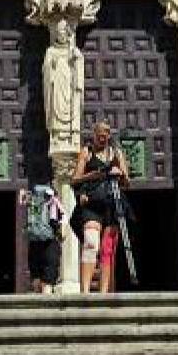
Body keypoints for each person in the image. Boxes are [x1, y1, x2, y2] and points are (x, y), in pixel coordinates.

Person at [71, 121, 130, 293]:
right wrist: (92, 175)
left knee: (107, 249)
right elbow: (74, 179)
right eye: (99, 137)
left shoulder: (116, 153)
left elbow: (127, 182)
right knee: (91, 243)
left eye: (105, 137)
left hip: (112, 204)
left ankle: (104, 293)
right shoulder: (86, 152)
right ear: (94, 135)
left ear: (109, 136)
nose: (102, 140)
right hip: (91, 204)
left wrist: (120, 174)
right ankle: (85, 292)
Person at [20, 183, 64, 294]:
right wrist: (61, 233)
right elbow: (59, 220)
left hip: (34, 241)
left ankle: (36, 295)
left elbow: (22, 201)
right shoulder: (53, 202)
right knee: (48, 277)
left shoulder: (32, 201)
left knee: (36, 274)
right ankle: (46, 301)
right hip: (50, 242)